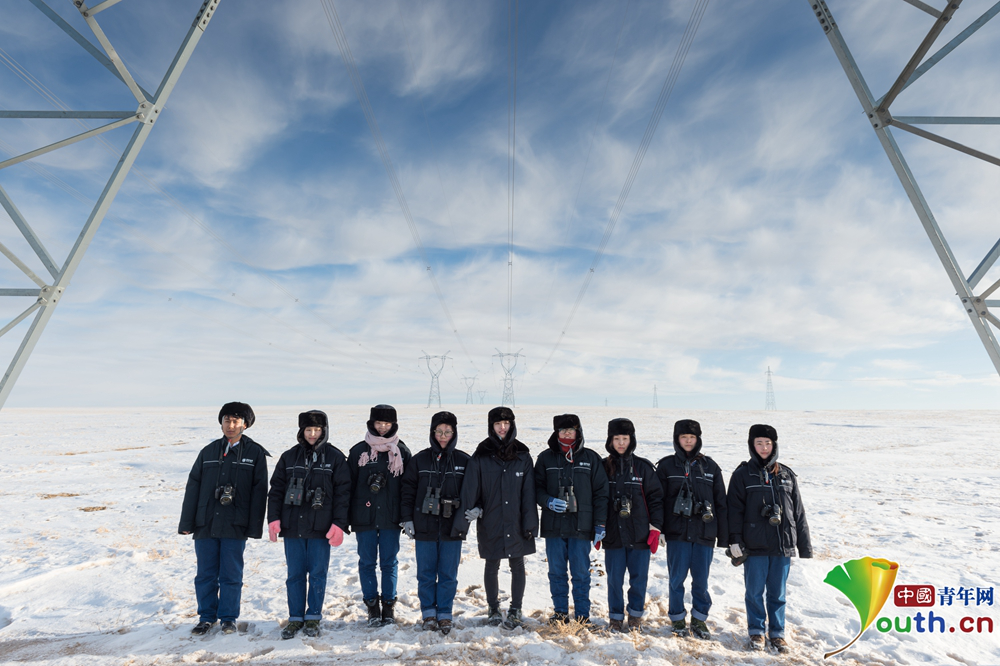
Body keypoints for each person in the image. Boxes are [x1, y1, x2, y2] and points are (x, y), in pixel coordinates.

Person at [178, 402, 269, 636]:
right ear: (221, 423)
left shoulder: (255, 453)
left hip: (235, 524)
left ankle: (228, 618)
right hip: (205, 523)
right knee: (206, 574)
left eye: (236, 421)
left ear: (245, 425)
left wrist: (254, 527)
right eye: (227, 420)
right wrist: (187, 523)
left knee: (231, 574)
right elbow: (193, 487)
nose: (231, 425)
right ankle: (206, 617)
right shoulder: (208, 452)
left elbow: (260, 492)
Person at [727, 424, 812, 653]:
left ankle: (777, 634)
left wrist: (804, 546)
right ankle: (756, 632)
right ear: (751, 445)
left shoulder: (786, 474)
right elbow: (733, 510)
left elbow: (798, 512)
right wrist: (734, 540)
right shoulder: (742, 475)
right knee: (754, 592)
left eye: (767, 443)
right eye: (759, 443)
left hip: (782, 544)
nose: (764, 447)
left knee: (778, 593)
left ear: (774, 445)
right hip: (753, 545)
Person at [267, 410, 351, 639]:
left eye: (317, 430)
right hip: (292, 527)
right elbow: (275, 491)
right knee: (294, 574)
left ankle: (313, 617)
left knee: (317, 574)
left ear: (324, 431)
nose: (313, 434)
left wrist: (338, 524)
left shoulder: (335, 458)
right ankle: (295, 618)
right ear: (301, 431)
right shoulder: (289, 457)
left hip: (321, 529)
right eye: (308, 429)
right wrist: (273, 518)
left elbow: (344, 494)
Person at [452, 406, 538, 630]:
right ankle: (493, 608)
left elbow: (529, 494)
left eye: (506, 424)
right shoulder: (481, 455)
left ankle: (516, 608)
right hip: (491, 520)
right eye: (498, 424)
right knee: (492, 564)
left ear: (512, 425)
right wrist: (473, 510)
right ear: (491, 427)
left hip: (517, 520)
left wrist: (530, 522)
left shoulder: (523, 456)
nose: (502, 428)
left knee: (517, 564)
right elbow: (472, 490)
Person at [655, 419, 728, 640]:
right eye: (684, 437)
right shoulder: (666, 466)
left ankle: (699, 619)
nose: (688, 441)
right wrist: (659, 529)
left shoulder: (711, 466)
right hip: (677, 533)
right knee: (676, 579)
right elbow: (657, 500)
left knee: (701, 580)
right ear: (677, 439)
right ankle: (677, 619)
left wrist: (723, 537)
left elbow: (721, 503)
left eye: (692, 437)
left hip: (704, 533)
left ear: (698, 440)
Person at [399, 411, 470, 635]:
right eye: (439, 431)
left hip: (452, 528)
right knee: (426, 573)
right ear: (432, 432)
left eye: (447, 431)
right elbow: (407, 491)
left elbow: (474, 491)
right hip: (424, 527)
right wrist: (407, 518)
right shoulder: (419, 460)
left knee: (448, 573)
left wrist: (477, 508)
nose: (443, 436)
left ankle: (445, 614)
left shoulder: (464, 461)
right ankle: (428, 613)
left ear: (454, 433)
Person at [534, 414, 609, 624]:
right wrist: (548, 501)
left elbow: (602, 493)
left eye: (571, 430)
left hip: (581, 526)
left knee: (581, 573)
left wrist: (600, 524)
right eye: (563, 431)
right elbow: (535, 488)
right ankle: (560, 613)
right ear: (556, 432)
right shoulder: (545, 458)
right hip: (553, 526)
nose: (567, 434)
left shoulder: (591, 458)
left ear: (578, 432)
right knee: (556, 572)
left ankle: (583, 615)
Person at [348, 404, 411, 627]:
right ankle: (372, 606)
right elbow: (349, 486)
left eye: (387, 424)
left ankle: (389, 607)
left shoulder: (401, 451)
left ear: (393, 425)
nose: (382, 427)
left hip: (391, 519)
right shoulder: (358, 452)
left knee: (389, 563)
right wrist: (348, 517)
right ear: (371, 423)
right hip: (363, 517)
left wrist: (406, 516)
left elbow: (408, 488)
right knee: (366, 562)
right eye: (378, 423)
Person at [600, 417, 663, 634]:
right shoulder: (603, 467)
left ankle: (635, 616)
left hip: (640, 535)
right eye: (616, 438)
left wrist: (656, 527)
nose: (620, 443)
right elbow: (597, 499)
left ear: (631, 439)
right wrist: (598, 526)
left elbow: (655, 498)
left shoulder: (643, 468)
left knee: (639, 579)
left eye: (624, 438)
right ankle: (615, 618)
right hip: (613, 535)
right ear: (610, 440)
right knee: (614, 580)